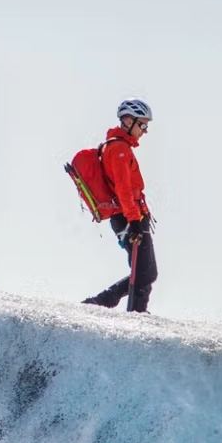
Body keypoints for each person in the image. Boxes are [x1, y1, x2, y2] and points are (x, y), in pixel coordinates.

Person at [83, 98, 158, 312]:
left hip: (129, 215)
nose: (144, 130)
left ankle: (109, 303)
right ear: (127, 120)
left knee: (147, 272)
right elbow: (124, 189)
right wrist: (134, 221)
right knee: (142, 272)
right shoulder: (119, 149)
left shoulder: (119, 147)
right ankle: (127, 310)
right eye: (142, 124)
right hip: (129, 216)